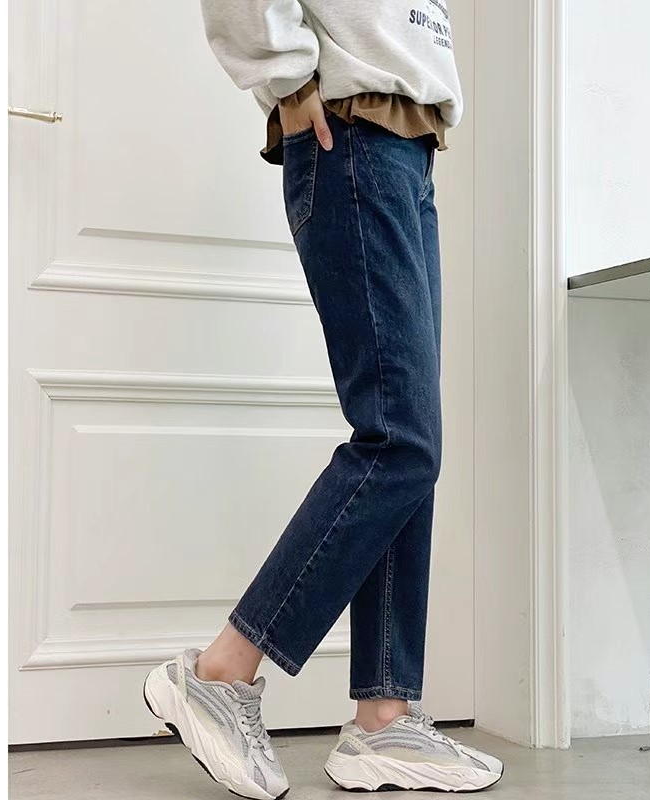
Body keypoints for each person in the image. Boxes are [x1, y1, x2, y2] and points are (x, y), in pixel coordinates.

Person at [143, 2, 504, 796]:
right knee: (400, 441)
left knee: (411, 445)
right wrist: (289, 81)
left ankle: (382, 716)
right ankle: (221, 670)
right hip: (352, 137)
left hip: (407, 147)